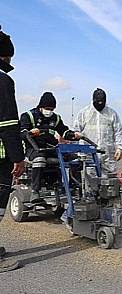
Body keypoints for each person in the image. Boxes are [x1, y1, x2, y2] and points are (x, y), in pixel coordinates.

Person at [20, 92, 81, 202]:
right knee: (39, 158)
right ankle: (35, 191)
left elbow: (64, 131)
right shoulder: (28, 116)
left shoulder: (55, 118)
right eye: (48, 108)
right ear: (41, 107)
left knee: (74, 159)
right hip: (34, 149)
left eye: (52, 109)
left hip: (51, 148)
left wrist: (73, 135)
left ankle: (75, 188)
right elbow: (22, 133)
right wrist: (30, 132)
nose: (50, 111)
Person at [0, 26, 25, 272]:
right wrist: (18, 158)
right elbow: (8, 124)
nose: (9, 61)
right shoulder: (3, 81)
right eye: (8, 56)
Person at [74, 88, 122, 174]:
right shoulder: (84, 113)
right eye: (98, 103)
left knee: (109, 181)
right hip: (89, 154)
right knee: (90, 181)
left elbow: (118, 131)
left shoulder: (112, 114)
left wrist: (119, 148)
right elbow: (76, 131)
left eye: (102, 103)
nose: (100, 105)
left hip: (107, 155)